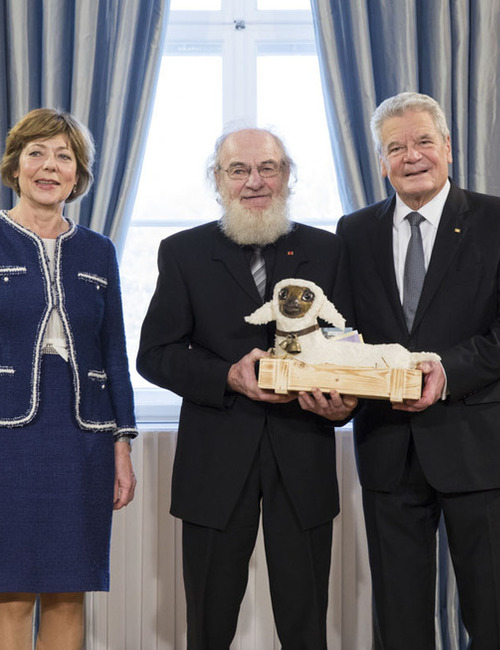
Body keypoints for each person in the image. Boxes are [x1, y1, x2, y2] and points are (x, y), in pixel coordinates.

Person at [336, 92, 500, 650]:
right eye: (395, 147)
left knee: (494, 615)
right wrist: (337, 385)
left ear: (447, 148)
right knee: (399, 622)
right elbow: (343, 334)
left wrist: (443, 372)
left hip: (479, 445)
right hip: (387, 448)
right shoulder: (353, 232)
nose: (411, 156)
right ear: (381, 162)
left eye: (423, 141)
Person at [136, 127, 356, 649]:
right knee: (209, 625)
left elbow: (347, 345)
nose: (254, 181)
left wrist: (343, 403)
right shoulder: (183, 252)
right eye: (239, 170)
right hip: (214, 458)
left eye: (268, 168)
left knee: (306, 626)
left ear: (287, 176)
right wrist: (226, 375)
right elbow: (154, 355)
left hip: (302, 453)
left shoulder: (328, 250)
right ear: (218, 181)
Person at [0, 108, 138, 650]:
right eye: (37, 154)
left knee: (71, 594)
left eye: (64, 156)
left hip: (82, 439)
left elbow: (113, 352)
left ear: (79, 173)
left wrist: (122, 446)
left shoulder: (99, 251)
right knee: (11, 594)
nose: (50, 166)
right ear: (16, 166)